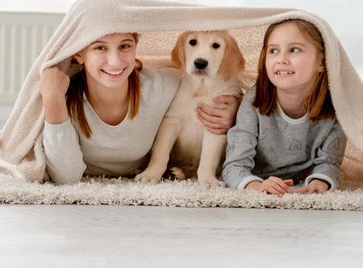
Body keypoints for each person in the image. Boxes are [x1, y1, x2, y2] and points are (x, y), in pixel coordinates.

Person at [40, 32, 239, 184]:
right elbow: (65, 177)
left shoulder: (163, 85)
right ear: (79, 54)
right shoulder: (65, 96)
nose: (115, 61)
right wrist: (52, 100)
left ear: (137, 47)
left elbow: (213, 86)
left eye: (125, 46)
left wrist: (235, 108)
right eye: (100, 48)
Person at [222, 19, 346, 196]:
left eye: (294, 50)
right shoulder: (253, 101)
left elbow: (329, 162)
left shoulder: (335, 107)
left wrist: (320, 180)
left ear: (321, 62)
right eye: (273, 51)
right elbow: (234, 166)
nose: (281, 59)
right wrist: (256, 186)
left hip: (300, 180)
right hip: (259, 176)